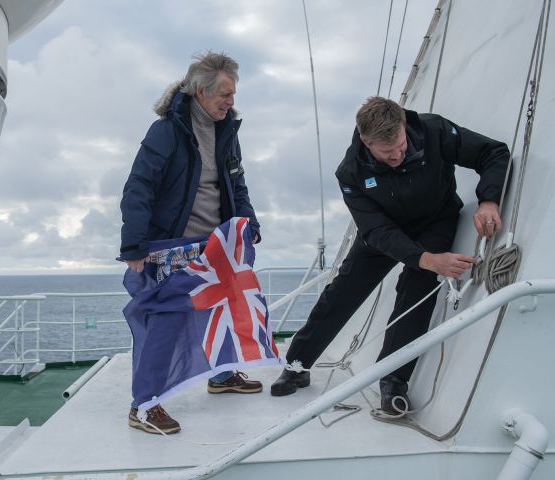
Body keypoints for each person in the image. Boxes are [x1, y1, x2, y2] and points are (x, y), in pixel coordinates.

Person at [271, 97, 510, 416]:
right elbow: (377, 231)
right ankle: (297, 364)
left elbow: (493, 152)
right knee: (342, 292)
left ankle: (393, 383)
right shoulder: (350, 172)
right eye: (386, 153)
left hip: (435, 219)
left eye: (400, 144)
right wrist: (427, 258)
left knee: (416, 291)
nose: (397, 155)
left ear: (403, 127)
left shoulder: (434, 131)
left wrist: (489, 201)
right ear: (367, 143)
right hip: (384, 228)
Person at [119, 51, 263, 434]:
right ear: (201, 91)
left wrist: (249, 223)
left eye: (234, 95)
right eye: (226, 95)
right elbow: (139, 186)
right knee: (168, 316)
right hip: (175, 244)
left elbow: (236, 183)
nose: (232, 102)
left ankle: (222, 375)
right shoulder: (167, 131)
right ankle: (145, 405)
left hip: (217, 242)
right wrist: (133, 243)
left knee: (226, 308)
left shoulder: (227, 130)